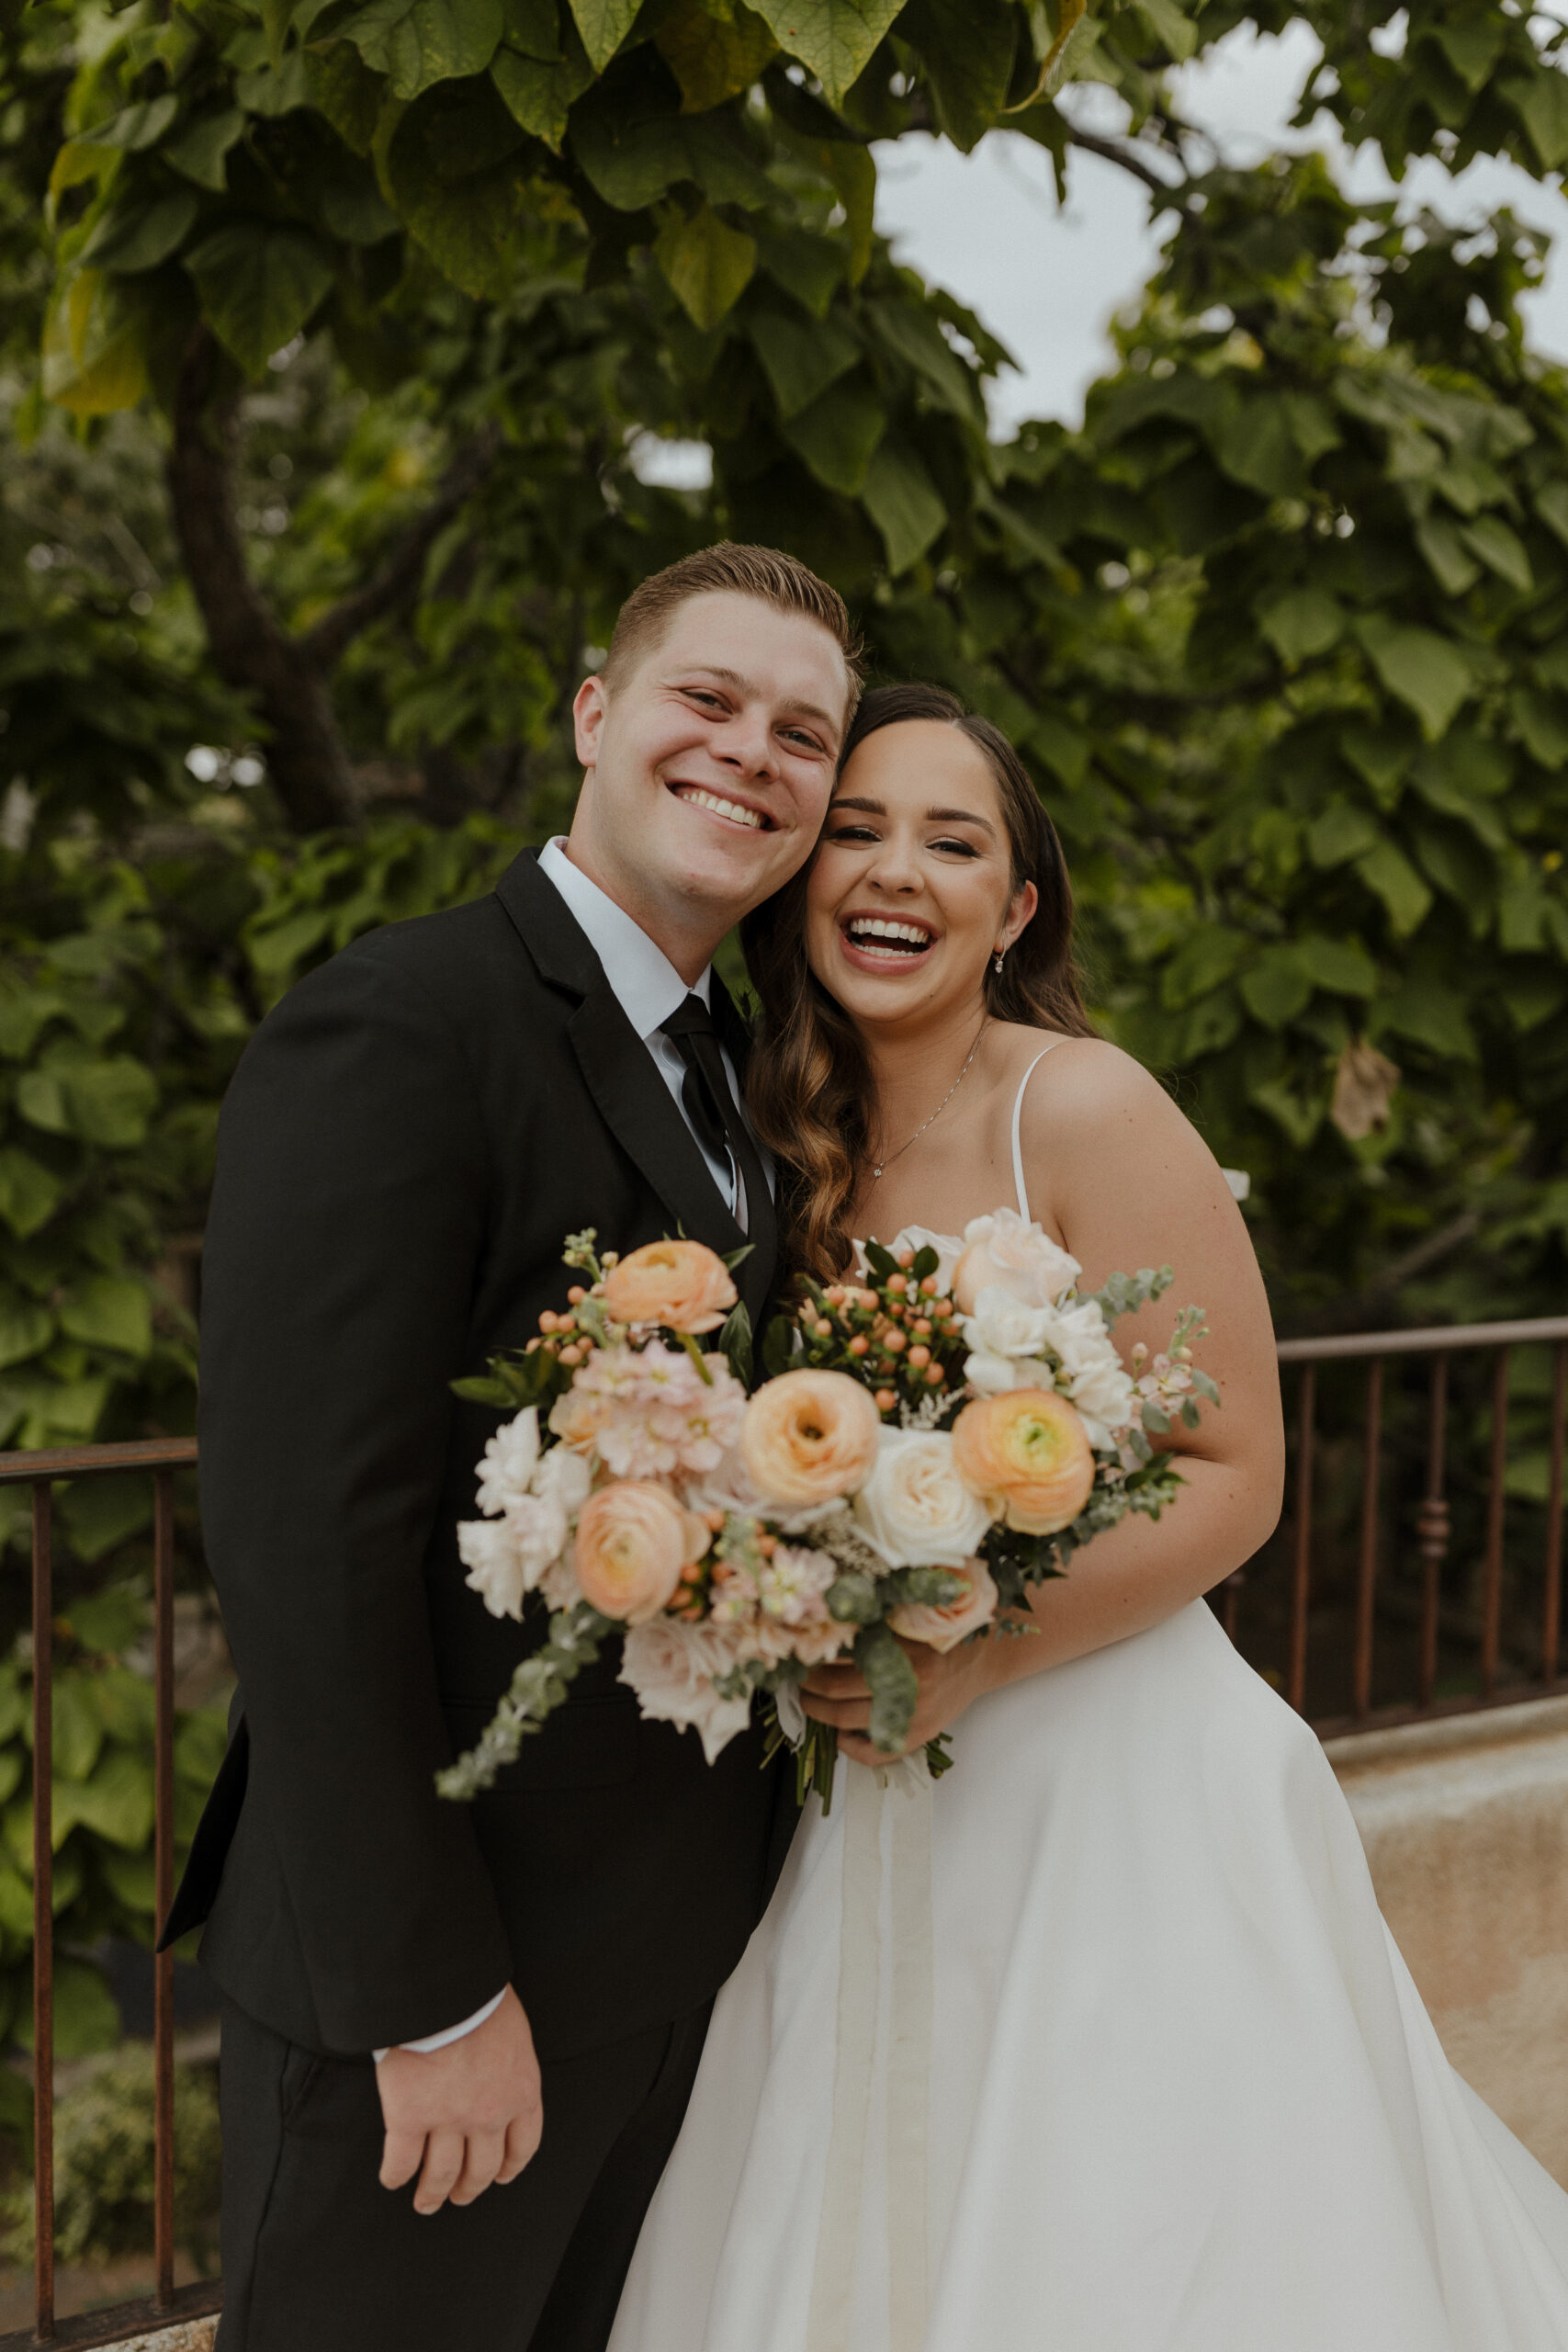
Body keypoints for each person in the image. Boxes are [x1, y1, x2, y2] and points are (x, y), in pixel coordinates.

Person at [606, 683, 1568, 2351]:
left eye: (952, 842)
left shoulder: (1087, 1103)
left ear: (1014, 907)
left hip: (1116, 1786)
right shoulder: (772, 1126)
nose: (894, 873)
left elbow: (1236, 1472)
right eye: (855, 830)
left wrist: (985, 1645)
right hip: (877, 1792)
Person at [162, 545, 862, 2352]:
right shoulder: (403, 1023)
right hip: (440, 1982)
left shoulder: (748, 1075)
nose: (751, 755)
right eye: (708, 700)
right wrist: (428, 1991)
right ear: (596, 713)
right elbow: (304, 1534)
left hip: (656, 1957)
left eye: (802, 733)